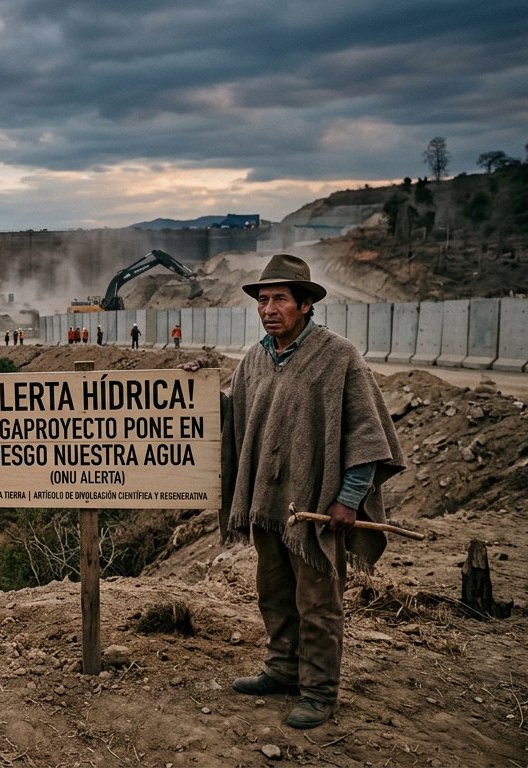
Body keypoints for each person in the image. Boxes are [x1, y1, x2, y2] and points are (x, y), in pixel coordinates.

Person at [221, 253, 405, 729]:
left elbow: (366, 435)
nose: (268, 308)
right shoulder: (255, 359)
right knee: (274, 593)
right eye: (262, 300)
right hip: (269, 505)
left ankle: (319, 691)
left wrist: (348, 498)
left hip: (318, 510)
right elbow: (235, 412)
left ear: (305, 304)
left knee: (318, 602)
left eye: (280, 298)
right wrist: (196, 380)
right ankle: (282, 670)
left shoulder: (337, 356)